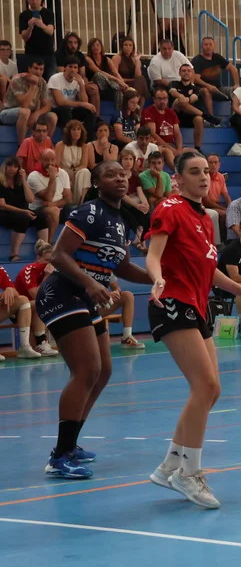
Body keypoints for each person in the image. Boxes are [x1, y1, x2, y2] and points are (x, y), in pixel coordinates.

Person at [145, 152, 241, 508]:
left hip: (197, 306)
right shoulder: (169, 208)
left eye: (206, 172)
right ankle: (189, 474)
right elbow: (154, 254)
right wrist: (157, 278)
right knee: (206, 387)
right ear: (178, 178)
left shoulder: (206, 217)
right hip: (173, 302)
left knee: (210, 392)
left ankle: (170, 464)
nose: (203, 177)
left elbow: (208, 269)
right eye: (194, 172)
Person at [37, 161, 156, 478]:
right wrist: (91, 283)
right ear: (97, 183)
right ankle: (60, 456)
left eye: (123, 174)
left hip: (86, 299)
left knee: (103, 371)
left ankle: (71, 443)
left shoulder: (122, 221)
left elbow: (123, 267)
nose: (120, 178)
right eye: (110, 174)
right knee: (87, 370)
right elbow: (58, 255)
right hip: (63, 293)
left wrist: (157, 278)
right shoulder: (88, 212)